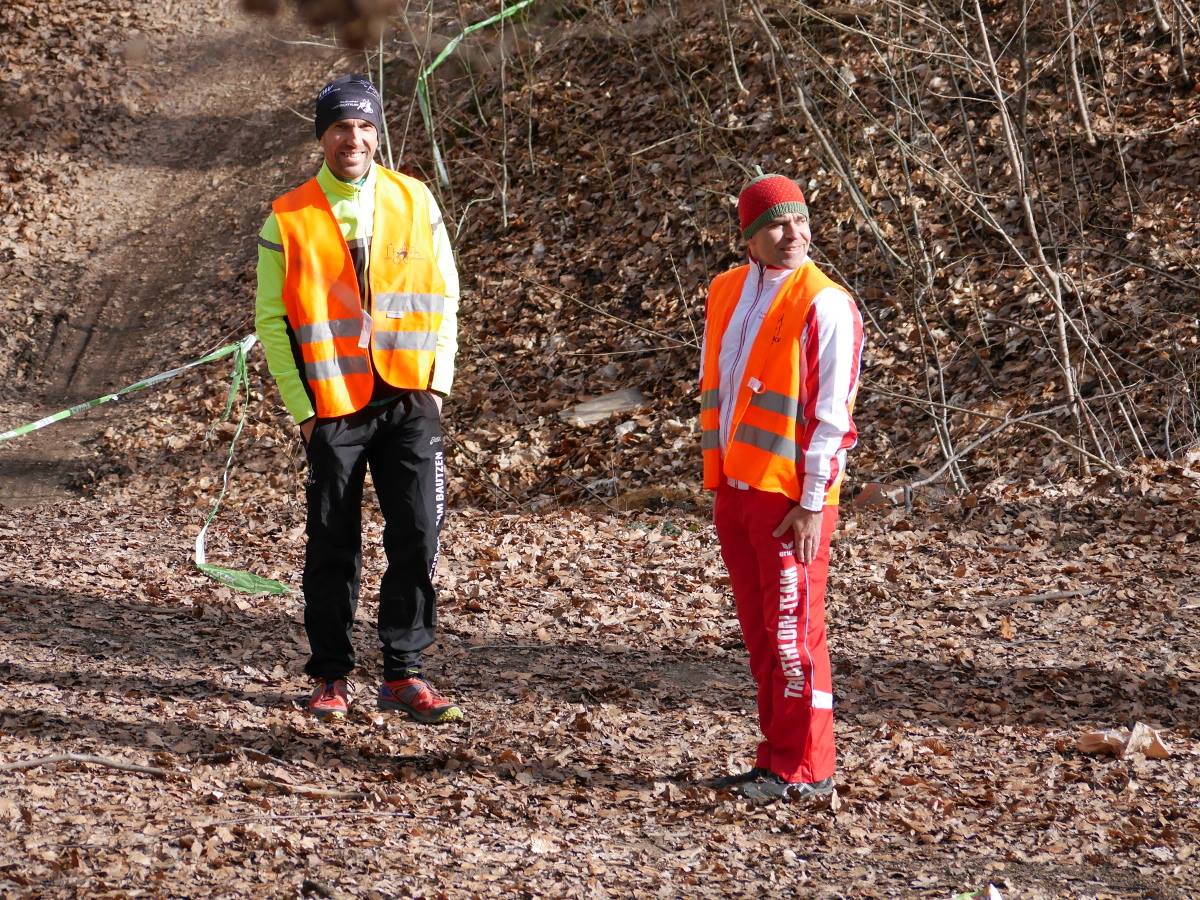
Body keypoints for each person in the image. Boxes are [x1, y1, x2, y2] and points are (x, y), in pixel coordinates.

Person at [254, 75, 462, 723]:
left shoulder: (416, 199)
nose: (354, 137)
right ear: (323, 136)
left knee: (419, 533)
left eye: (364, 126)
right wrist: (304, 411)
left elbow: (446, 295)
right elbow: (271, 322)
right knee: (331, 541)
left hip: (408, 398)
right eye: (340, 126)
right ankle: (330, 676)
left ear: (378, 133)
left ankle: (404, 671)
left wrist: (437, 382)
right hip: (332, 405)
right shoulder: (286, 216)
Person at [699, 171, 863, 800]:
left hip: (793, 500)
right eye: (776, 224)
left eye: (800, 221)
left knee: (796, 636)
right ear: (748, 235)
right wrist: (719, 483)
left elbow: (833, 418)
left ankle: (807, 768)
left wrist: (813, 501)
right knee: (763, 635)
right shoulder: (726, 291)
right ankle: (775, 759)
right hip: (736, 490)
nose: (793, 235)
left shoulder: (826, 303)